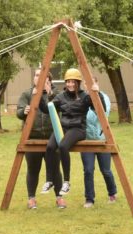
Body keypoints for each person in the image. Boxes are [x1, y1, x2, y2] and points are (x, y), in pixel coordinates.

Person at [38, 69, 100, 209]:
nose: (70, 84)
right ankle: (49, 180)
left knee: (63, 146)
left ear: (78, 83)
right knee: (50, 147)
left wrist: (96, 92)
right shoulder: (60, 96)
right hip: (63, 127)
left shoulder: (85, 96)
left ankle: (66, 181)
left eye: (73, 82)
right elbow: (47, 110)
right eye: (68, 82)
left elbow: (98, 107)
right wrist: (42, 94)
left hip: (78, 129)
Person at [16, 69, 57, 209]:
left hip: (52, 138)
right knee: (33, 169)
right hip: (32, 138)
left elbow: (62, 110)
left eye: (41, 75)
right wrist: (24, 111)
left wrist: (50, 94)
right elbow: (19, 112)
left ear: (48, 79)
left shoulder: (56, 94)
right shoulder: (27, 94)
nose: (37, 77)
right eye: (36, 75)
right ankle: (31, 199)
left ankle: (59, 198)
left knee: (55, 169)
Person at [81, 78, 117, 208]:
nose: (88, 86)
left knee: (106, 170)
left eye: (91, 83)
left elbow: (104, 113)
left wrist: (98, 95)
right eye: (86, 83)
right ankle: (89, 199)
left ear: (97, 83)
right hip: (86, 141)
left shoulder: (104, 97)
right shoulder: (82, 98)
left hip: (102, 139)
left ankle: (112, 193)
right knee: (88, 170)